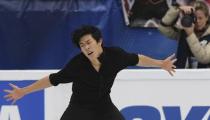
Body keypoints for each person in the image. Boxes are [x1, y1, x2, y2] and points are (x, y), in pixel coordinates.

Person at [4, 25, 176, 120]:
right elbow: (52, 79)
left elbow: (137, 59)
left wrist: (160, 64)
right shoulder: (77, 65)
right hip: (79, 108)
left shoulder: (116, 56)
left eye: (88, 42)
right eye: (82, 45)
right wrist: (23, 91)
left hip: (104, 106)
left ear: (99, 41)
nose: (86, 48)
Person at [159, 0, 210, 68]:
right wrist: (176, 9)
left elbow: (204, 58)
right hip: (181, 75)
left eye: (200, 18)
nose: (197, 21)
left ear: (207, 18)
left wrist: (190, 34)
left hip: (203, 77)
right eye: (195, 18)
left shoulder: (191, 33)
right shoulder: (184, 32)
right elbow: (163, 28)